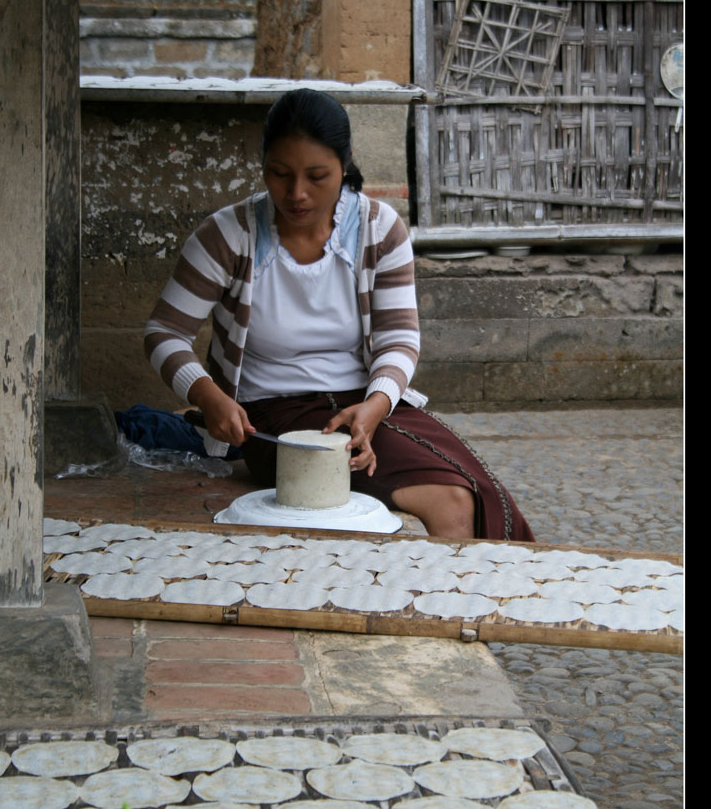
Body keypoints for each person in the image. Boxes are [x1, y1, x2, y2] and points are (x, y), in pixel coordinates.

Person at [145, 88, 533, 541]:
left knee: (476, 491)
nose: (296, 194)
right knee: (447, 499)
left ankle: (480, 607)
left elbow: (399, 340)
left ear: (345, 164)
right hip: (273, 420)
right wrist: (209, 396)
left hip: (364, 404)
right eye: (279, 174)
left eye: (317, 176)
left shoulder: (378, 230)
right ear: (263, 163)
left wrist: (376, 404)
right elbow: (164, 332)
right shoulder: (229, 236)